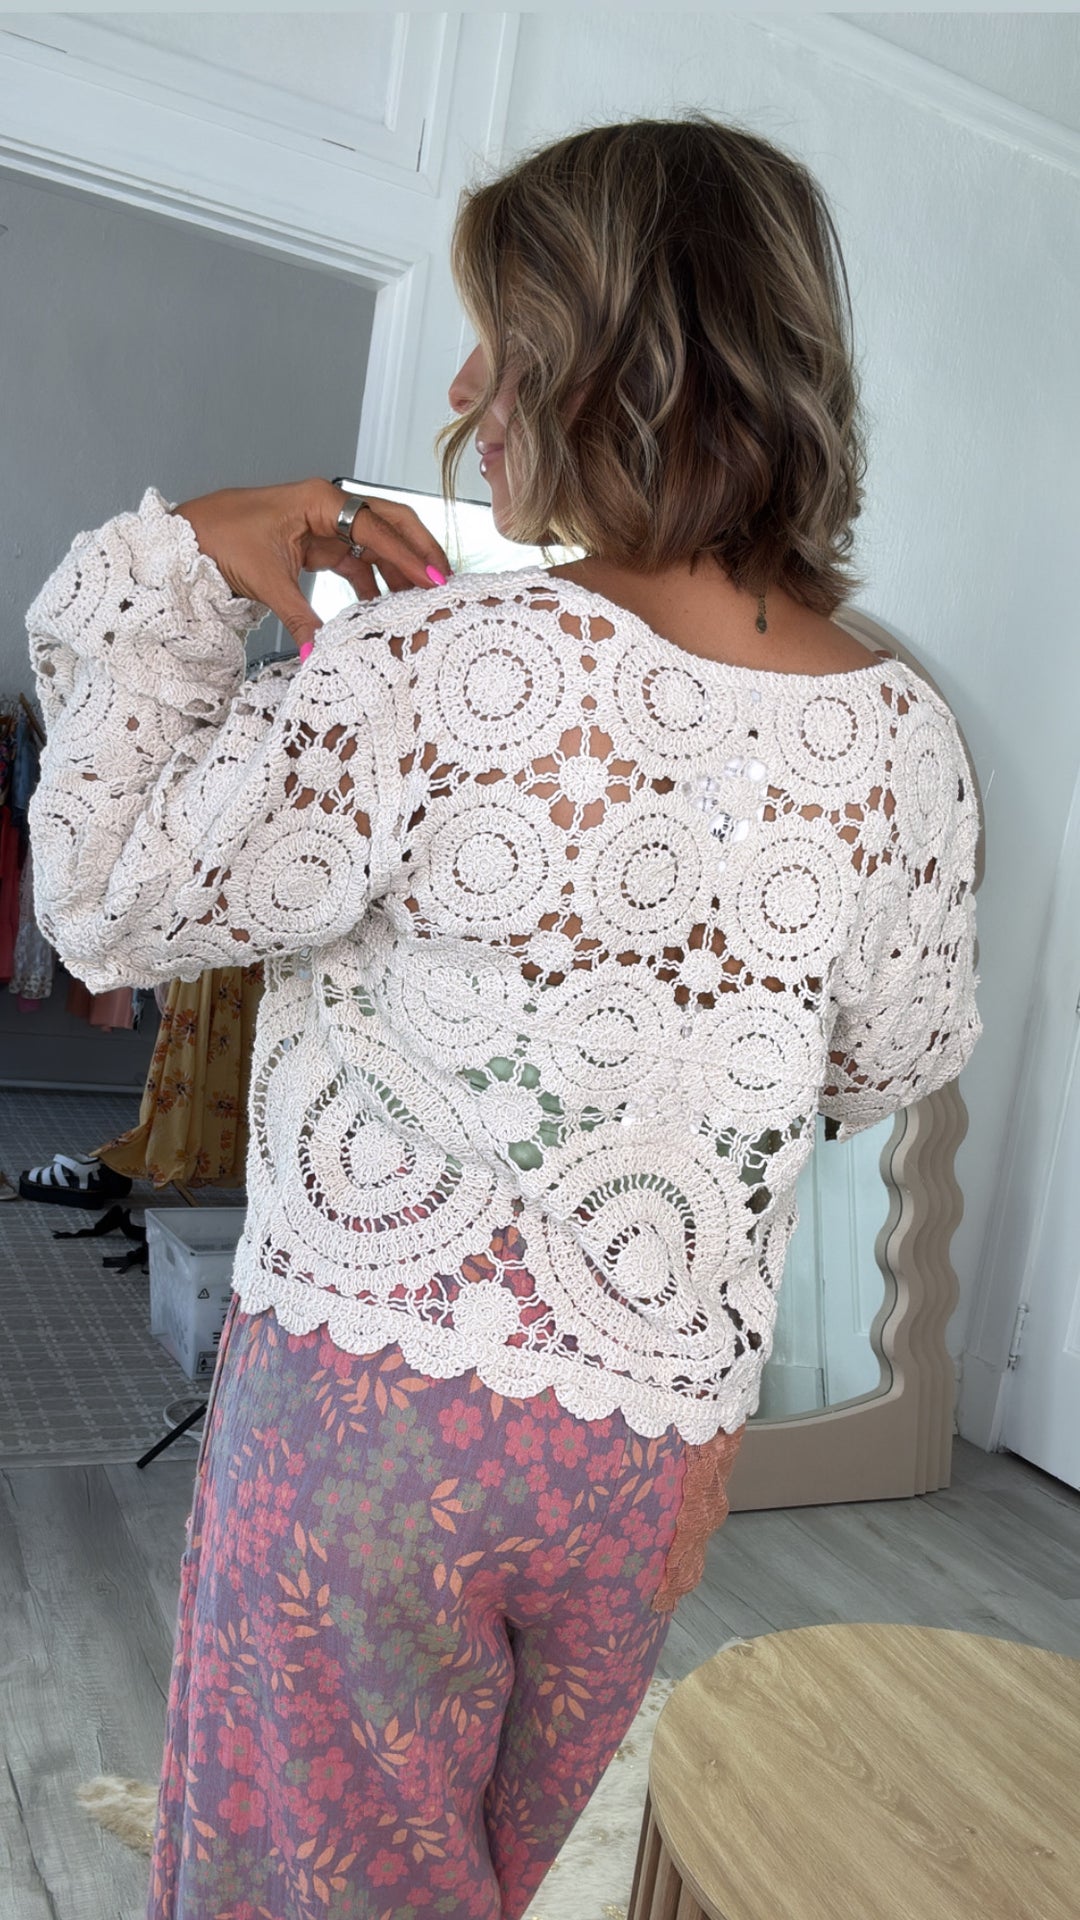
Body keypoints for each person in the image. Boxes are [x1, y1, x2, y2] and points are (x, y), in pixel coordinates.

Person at [26, 114, 982, 1920]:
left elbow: (105, 901)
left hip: (367, 1425)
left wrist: (185, 557)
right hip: (653, 1450)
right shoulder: (903, 737)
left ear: (615, 362)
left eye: (500, 337)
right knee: (475, 1869)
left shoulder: (432, 667)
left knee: (305, 1880)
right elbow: (884, 1059)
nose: (466, 388)